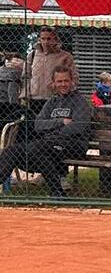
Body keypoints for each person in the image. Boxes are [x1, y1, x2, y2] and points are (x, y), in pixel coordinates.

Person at [0, 62, 91, 196]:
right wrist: (60, 122)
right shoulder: (52, 102)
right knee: (12, 150)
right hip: (49, 144)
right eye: (59, 81)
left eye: (66, 81)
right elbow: (38, 125)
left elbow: (78, 127)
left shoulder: (80, 102)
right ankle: (57, 193)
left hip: (74, 145)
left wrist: (52, 130)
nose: (63, 84)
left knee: (37, 150)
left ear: (72, 81)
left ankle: (57, 192)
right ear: (54, 83)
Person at [28, 28, 75, 110]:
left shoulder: (65, 56)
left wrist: (65, 90)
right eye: (43, 39)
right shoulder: (32, 55)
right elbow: (26, 75)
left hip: (55, 97)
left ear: (55, 40)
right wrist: (25, 93)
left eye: (49, 39)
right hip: (34, 97)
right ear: (39, 39)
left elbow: (74, 77)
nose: (46, 42)